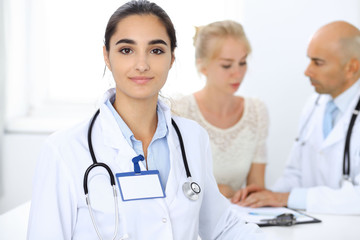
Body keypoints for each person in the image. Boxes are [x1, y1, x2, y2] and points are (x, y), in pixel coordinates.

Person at [26, 1, 264, 239]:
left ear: (172, 58)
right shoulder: (64, 150)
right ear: (107, 56)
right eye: (126, 50)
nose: (142, 65)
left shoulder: (193, 137)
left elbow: (222, 226)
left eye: (156, 50)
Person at [232, 21, 360, 215]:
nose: (307, 71)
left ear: (352, 67)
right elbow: (295, 174)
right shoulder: (314, 104)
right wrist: (268, 196)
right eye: (309, 60)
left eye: (318, 62)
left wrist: (287, 198)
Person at [171, 20, 268, 199]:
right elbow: (172, 185)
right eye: (226, 65)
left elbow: (256, 191)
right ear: (202, 65)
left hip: (236, 217)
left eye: (243, 62)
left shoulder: (256, 111)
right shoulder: (179, 110)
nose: (237, 73)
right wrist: (219, 191)